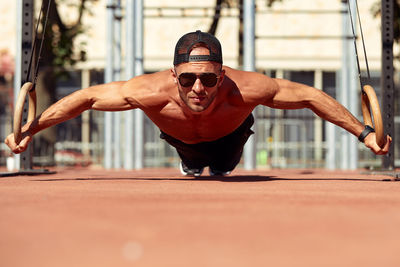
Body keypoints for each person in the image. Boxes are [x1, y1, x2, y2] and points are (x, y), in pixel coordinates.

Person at [4, 30, 392, 176]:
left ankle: (210, 161)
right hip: (181, 138)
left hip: (230, 137)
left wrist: (366, 133)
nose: (198, 88)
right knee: (192, 160)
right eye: (188, 78)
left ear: (222, 75)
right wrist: (27, 131)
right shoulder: (149, 90)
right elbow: (85, 97)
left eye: (209, 78)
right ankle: (190, 160)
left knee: (223, 168)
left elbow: (310, 95)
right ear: (173, 75)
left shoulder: (247, 89)